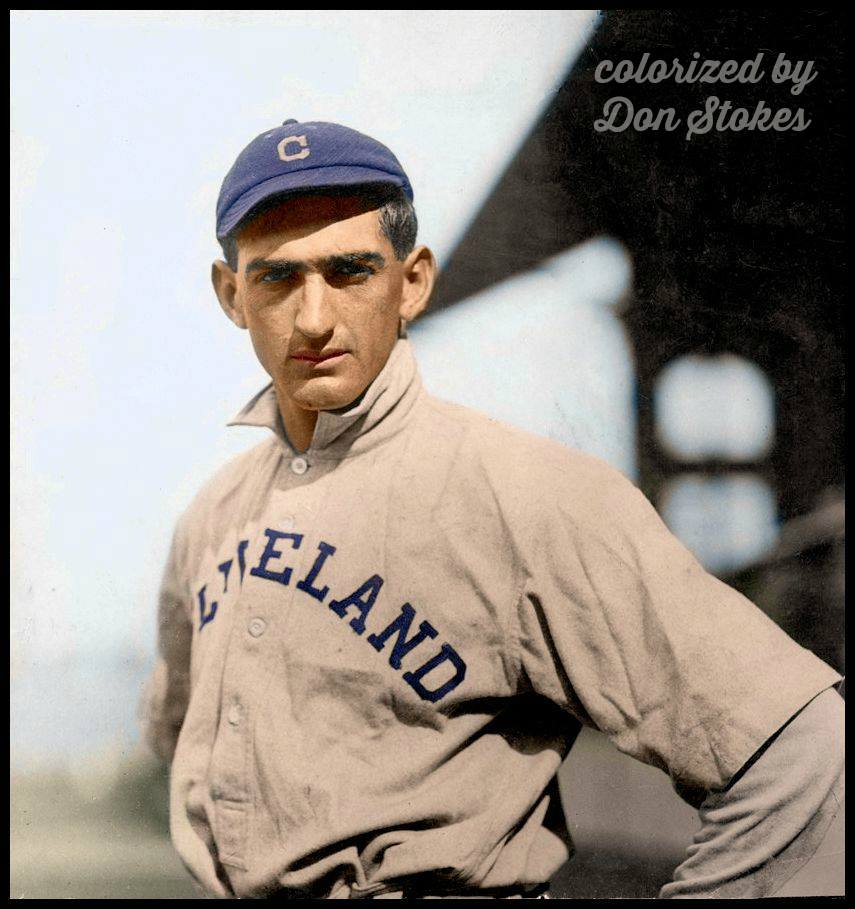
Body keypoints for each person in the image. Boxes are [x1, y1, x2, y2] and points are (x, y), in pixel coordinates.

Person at [140, 119, 844, 900]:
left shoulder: (525, 492)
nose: (313, 318)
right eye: (277, 278)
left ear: (412, 282)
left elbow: (798, 748)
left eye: (349, 272)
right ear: (231, 294)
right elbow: (180, 742)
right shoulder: (214, 516)